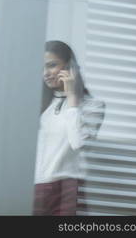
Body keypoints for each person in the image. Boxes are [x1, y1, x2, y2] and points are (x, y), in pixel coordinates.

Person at [33, 40, 105, 216]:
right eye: (43, 67)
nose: (46, 73)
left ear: (70, 67)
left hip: (68, 189)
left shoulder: (92, 106)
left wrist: (72, 97)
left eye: (52, 65)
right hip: (37, 189)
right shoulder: (40, 107)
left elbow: (78, 143)